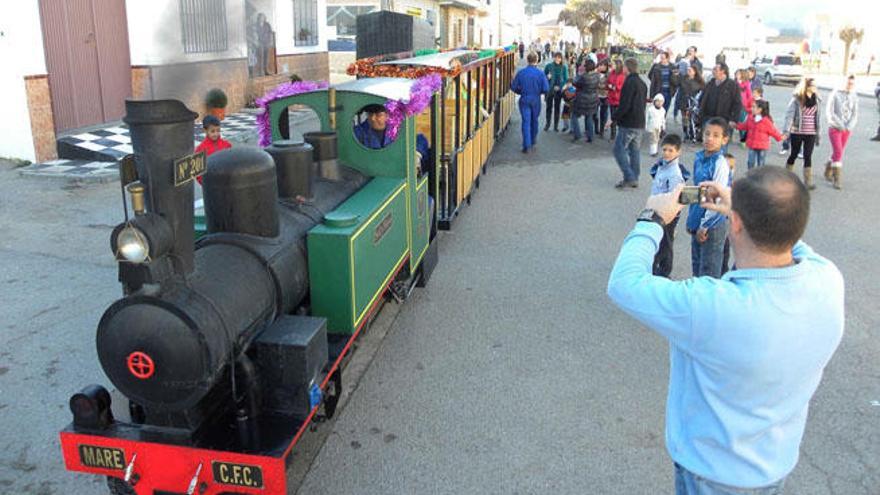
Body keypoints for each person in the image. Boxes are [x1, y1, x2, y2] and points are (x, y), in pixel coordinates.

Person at [607, 165, 844, 495]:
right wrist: (747, 208)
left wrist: (652, 218)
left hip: (711, 474)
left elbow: (624, 283)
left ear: (734, 224)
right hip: (775, 464)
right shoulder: (828, 279)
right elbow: (790, 240)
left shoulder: (714, 306)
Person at [687, 117, 731, 278]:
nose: (710, 139)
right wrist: (692, 220)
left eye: (716, 135)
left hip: (712, 224)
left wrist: (704, 225)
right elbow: (698, 191)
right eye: (707, 134)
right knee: (697, 266)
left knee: (709, 272)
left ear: (724, 140)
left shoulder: (720, 163)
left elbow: (718, 198)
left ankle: (707, 303)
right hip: (698, 218)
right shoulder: (699, 158)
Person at [649, 133, 688, 277]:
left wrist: (670, 215)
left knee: (665, 242)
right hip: (657, 209)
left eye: (671, 150)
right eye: (664, 149)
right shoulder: (662, 166)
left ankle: (664, 271)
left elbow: (675, 196)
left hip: (668, 213)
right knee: (661, 239)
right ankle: (659, 267)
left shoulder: (674, 173)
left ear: (678, 152)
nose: (666, 153)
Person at [611, 58, 648, 188]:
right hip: (639, 122)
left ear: (627, 68)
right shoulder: (642, 83)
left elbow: (624, 105)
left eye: (624, 67)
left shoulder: (629, 83)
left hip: (628, 123)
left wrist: (614, 118)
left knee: (618, 149)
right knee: (634, 150)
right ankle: (635, 176)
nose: (623, 69)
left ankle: (629, 176)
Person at [783, 77, 821, 189]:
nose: (815, 87)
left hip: (811, 132)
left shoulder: (817, 99)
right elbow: (789, 115)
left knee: (808, 155)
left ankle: (807, 182)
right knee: (794, 154)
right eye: (813, 85)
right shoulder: (797, 99)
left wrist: (818, 132)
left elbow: (817, 117)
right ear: (807, 87)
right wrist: (786, 131)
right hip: (797, 131)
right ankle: (787, 178)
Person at [824, 75, 859, 189]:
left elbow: (854, 114)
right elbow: (830, 113)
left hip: (847, 129)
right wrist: (840, 125)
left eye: (852, 84)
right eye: (848, 83)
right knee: (838, 151)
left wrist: (849, 126)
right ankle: (837, 178)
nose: (850, 86)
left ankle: (828, 167)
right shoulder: (835, 94)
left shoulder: (854, 96)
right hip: (835, 127)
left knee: (838, 151)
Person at [511, 53, 550, 153]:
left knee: (526, 122)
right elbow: (546, 89)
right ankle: (533, 140)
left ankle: (526, 145)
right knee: (534, 120)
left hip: (524, 98)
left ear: (527, 60)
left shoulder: (521, 73)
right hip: (536, 99)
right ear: (537, 60)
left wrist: (521, 92)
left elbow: (514, 87)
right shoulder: (540, 73)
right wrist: (538, 92)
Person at [734, 99, 783, 169]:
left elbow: (773, 131)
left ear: (760, 109)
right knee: (750, 162)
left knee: (761, 163)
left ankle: (760, 176)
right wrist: (736, 126)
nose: (752, 108)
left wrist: (780, 137)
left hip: (762, 146)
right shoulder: (750, 118)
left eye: (754, 107)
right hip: (752, 144)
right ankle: (750, 175)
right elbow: (745, 126)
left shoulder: (766, 121)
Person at [700, 63, 742, 129]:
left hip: (724, 120)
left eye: (715, 69)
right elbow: (703, 98)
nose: (713, 71)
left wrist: (734, 119)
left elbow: (737, 103)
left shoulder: (732, 85)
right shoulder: (710, 83)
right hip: (708, 118)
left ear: (723, 71)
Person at [195, 115, 232, 185]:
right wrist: (205, 184)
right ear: (205, 130)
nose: (216, 134)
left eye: (218, 130)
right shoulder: (200, 149)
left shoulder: (227, 145)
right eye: (212, 131)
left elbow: (231, 164)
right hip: (210, 186)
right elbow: (198, 173)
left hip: (226, 184)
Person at [572, 59, 600, 143]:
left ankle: (577, 134)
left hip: (582, 99)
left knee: (574, 116)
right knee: (589, 117)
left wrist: (578, 75)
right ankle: (590, 136)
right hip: (593, 98)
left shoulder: (584, 77)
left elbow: (575, 83)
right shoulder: (597, 76)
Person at [678, 64, 704, 142]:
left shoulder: (699, 82)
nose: (688, 72)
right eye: (688, 70)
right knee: (684, 118)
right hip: (684, 100)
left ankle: (693, 133)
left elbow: (702, 92)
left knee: (692, 118)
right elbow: (676, 84)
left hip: (693, 102)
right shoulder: (683, 79)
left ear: (694, 72)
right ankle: (685, 133)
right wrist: (675, 76)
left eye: (690, 70)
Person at [544, 52, 569, 132]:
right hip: (550, 90)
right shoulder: (549, 66)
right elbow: (543, 78)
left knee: (557, 108)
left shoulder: (564, 67)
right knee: (549, 108)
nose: (557, 59)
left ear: (561, 59)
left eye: (559, 57)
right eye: (556, 57)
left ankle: (555, 126)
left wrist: (560, 87)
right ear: (554, 57)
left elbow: (566, 79)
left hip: (559, 91)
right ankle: (547, 124)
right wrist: (547, 77)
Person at [606, 59, 626, 139]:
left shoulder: (622, 75)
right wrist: (609, 86)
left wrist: (614, 87)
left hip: (618, 99)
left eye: (613, 64)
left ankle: (620, 134)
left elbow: (622, 86)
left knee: (619, 117)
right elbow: (608, 81)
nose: (611, 65)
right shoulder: (612, 73)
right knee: (612, 116)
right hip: (611, 98)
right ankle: (613, 134)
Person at [734, 69, 753, 143]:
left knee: (742, 122)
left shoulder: (746, 84)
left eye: (738, 74)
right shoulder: (734, 83)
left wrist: (749, 105)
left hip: (743, 106)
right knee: (734, 121)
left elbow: (749, 95)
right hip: (734, 105)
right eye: (736, 74)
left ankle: (743, 139)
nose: (737, 75)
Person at [595, 59, 610, 138]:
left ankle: (602, 131)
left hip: (605, 96)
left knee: (603, 114)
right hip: (597, 96)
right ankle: (596, 128)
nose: (602, 67)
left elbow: (609, 85)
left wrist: (603, 86)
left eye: (604, 65)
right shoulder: (596, 74)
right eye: (600, 65)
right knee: (595, 113)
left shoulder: (609, 74)